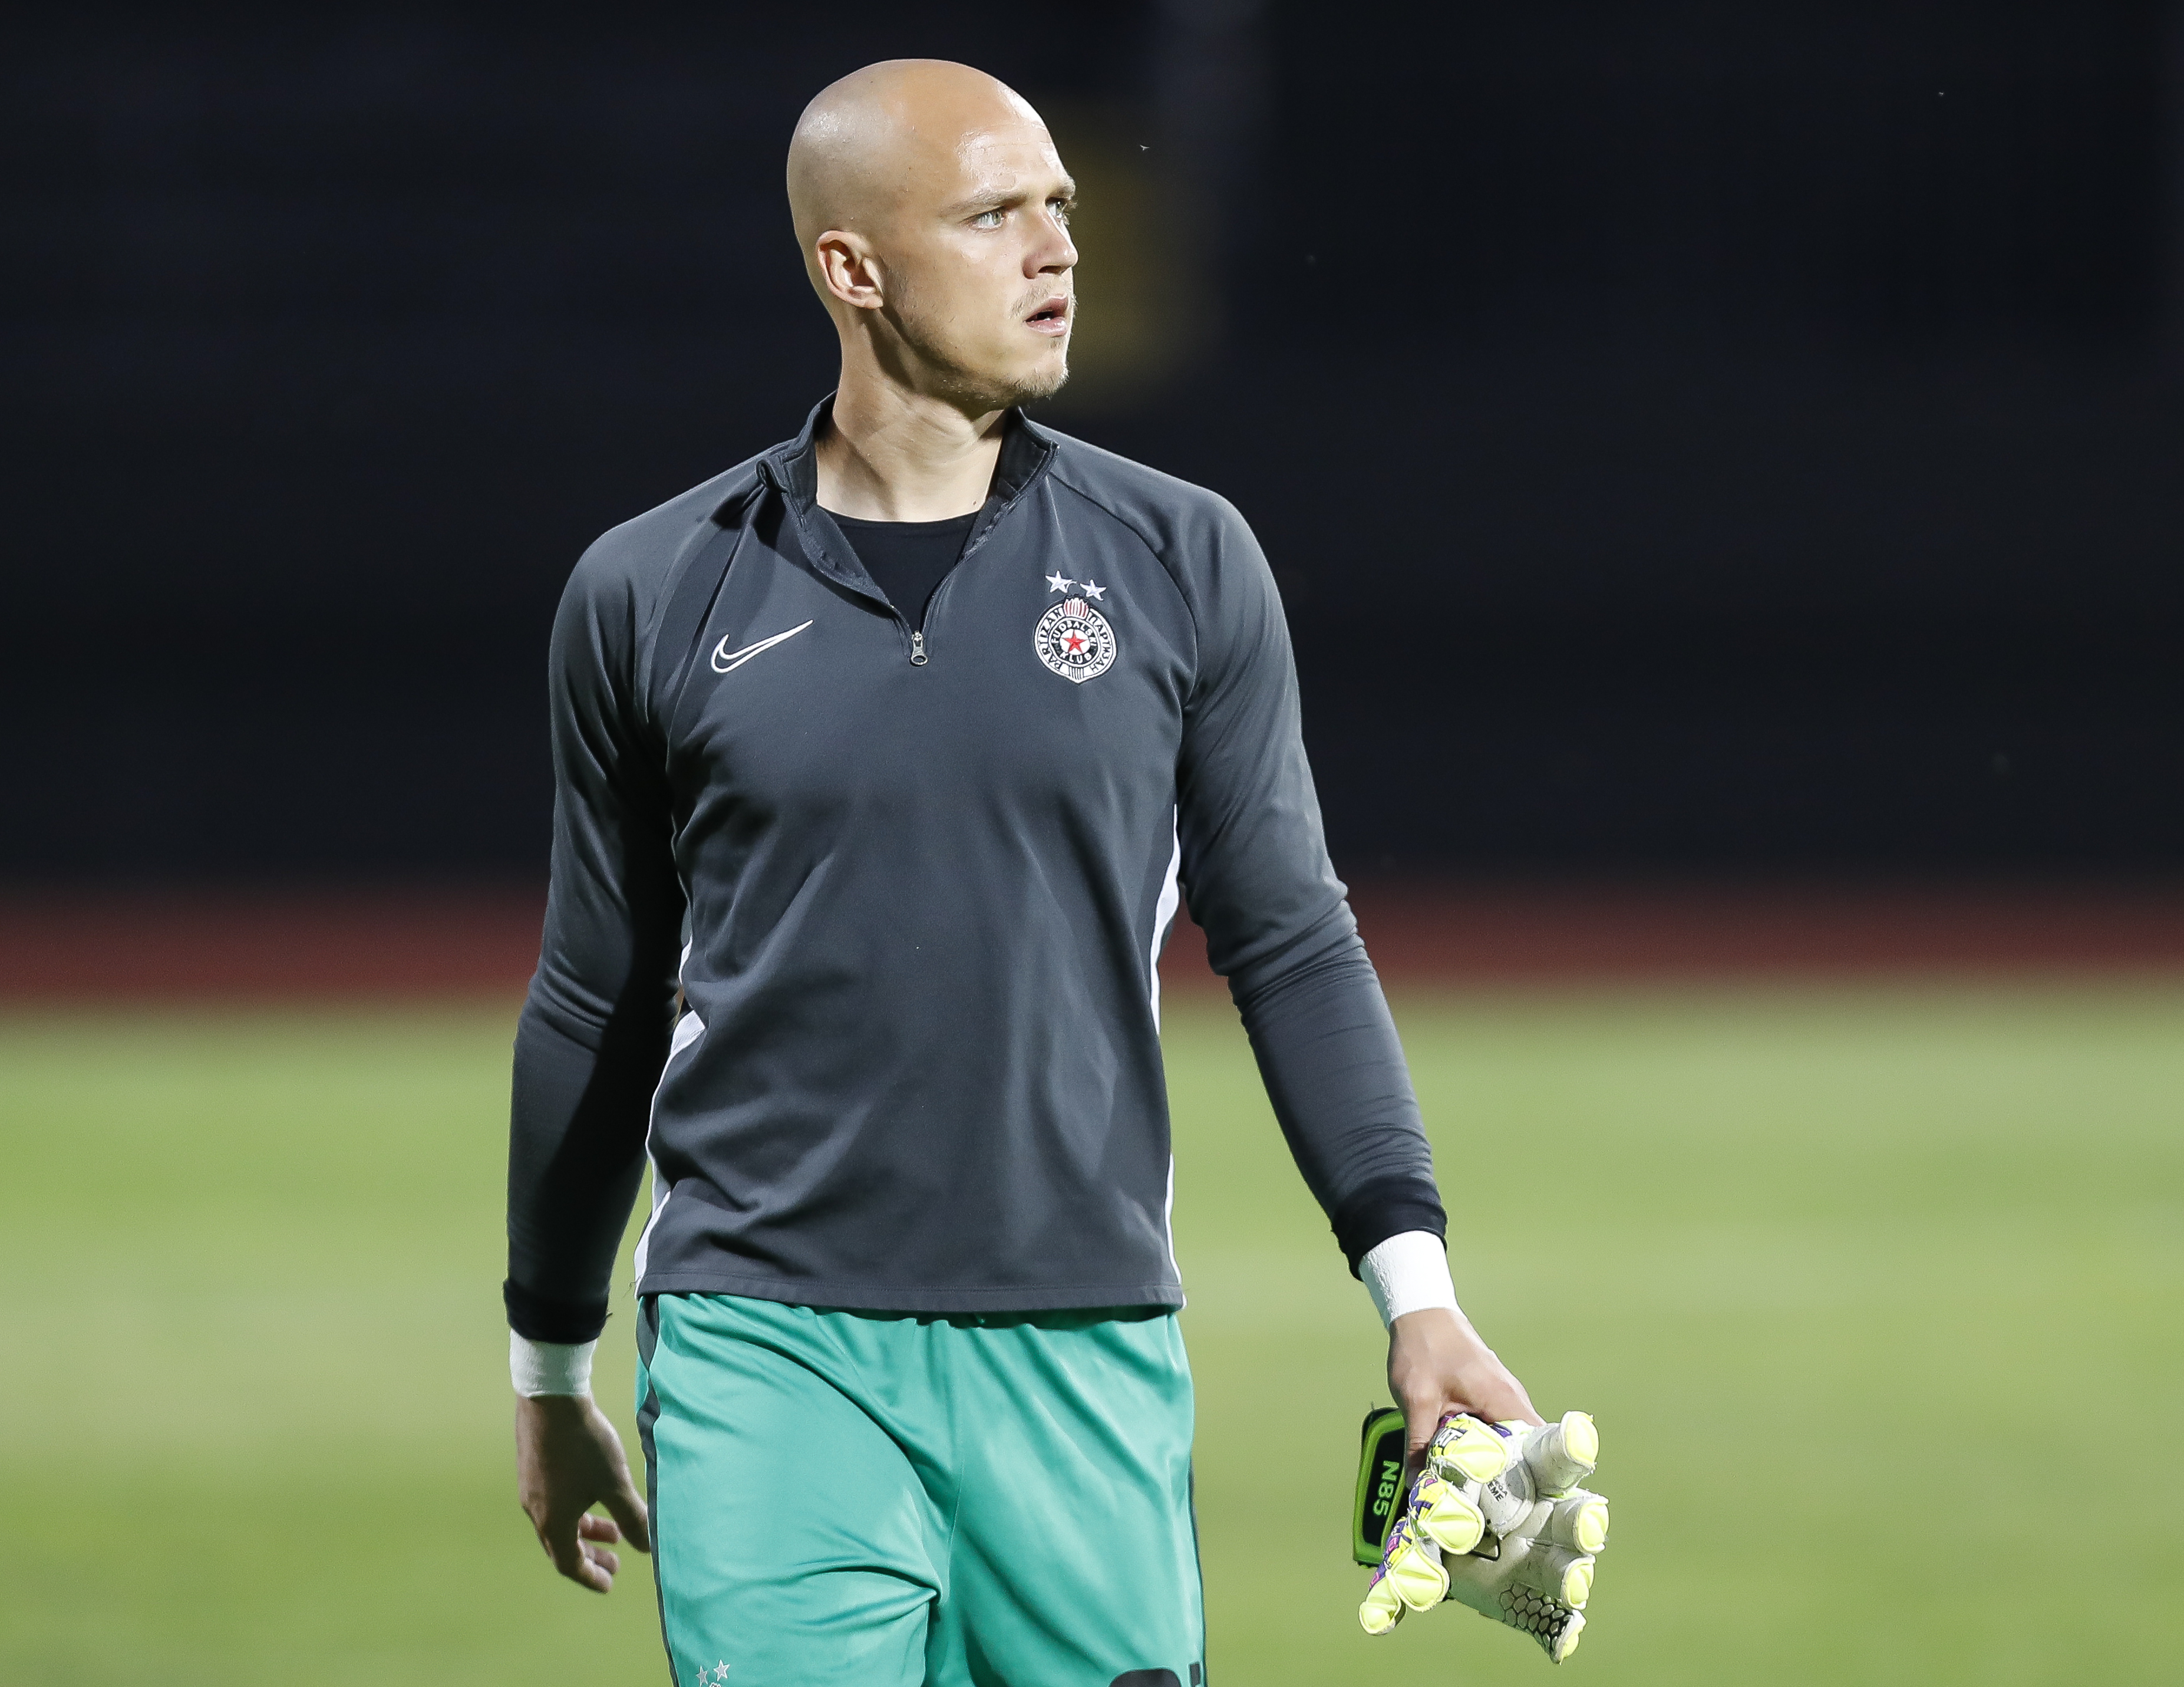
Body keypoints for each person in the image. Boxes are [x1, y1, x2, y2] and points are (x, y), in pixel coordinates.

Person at [504, 57, 1539, 1687]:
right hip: (765, 1338)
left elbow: (1286, 938)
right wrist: (549, 1365)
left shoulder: (1184, 558)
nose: (1058, 249)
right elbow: (597, 993)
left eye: (1060, 206)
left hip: (1083, 1342)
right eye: (995, 215)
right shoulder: (648, 592)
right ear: (851, 269)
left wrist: (1416, 1294)